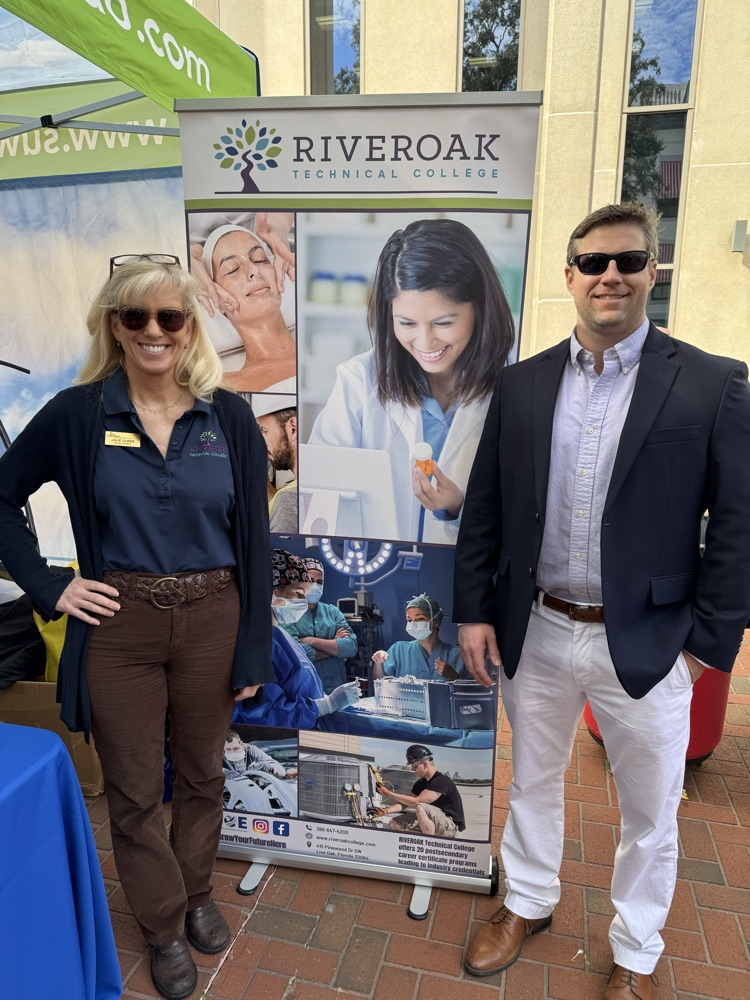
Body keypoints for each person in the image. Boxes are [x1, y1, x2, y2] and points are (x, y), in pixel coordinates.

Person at [454, 202, 750, 998]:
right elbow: (485, 504)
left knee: (653, 812)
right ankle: (527, 900)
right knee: (533, 779)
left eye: (628, 261)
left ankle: (636, 950)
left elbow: (738, 526)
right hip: (539, 628)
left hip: (652, 643)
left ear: (654, 270)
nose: (609, 275)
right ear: (569, 277)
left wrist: (706, 650)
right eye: (593, 263)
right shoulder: (520, 384)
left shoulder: (714, 383)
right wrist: (475, 610)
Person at [0, 253, 274, 1000]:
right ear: (114, 327)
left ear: (189, 330)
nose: (155, 331)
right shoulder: (78, 414)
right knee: (130, 786)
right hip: (120, 625)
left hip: (215, 617)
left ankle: (196, 895)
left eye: (171, 317)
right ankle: (160, 925)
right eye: (136, 317)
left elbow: (255, 542)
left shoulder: (231, 417)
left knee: (202, 774)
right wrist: (51, 585)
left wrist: (254, 644)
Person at [308, 218, 515, 544]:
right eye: (406, 322)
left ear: (480, 309)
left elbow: (523, 516)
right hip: (373, 577)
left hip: (467, 583)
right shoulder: (358, 382)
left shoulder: (514, 387)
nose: (425, 341)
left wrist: (461, 508)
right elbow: (320, 500)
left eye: (443, 322)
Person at [232, 549, 361, 729]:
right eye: (299, 594)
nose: (304, 600)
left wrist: (322, 701)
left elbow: (350, 646)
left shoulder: (280, 635)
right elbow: (260, 715)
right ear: (272, 591)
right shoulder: (256, 646)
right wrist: (324, 705)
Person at [193, 221, 296, 393]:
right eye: (232, 269)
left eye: (260, 259)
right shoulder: (221, 387)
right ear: (218, 299)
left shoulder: (328, 351)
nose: (254, 269)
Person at [281, 557, 358, 693]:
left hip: (336, 690)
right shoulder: (287, 612)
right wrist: (335, 646)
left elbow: (351, 647)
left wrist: (311, 641)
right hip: (304, 693)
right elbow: (296, 653)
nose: (315, 586)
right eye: (310, 581)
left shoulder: (332, 612)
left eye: (319, 582)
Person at [376, 744, 465, 838]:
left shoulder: (441, 781)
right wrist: (385, 811)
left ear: (425, 764)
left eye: (414, 765)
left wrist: (389, 794)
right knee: (394, 824)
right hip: (434, 822)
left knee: (420, 806)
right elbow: (405, 803)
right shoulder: (421, 783)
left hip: (450, 826)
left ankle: (427, 844)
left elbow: (417, 801)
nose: (413, 769)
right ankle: (422, 839)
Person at [372, 593, 464, 681]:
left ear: (436, 622)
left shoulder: (458, 655)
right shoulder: (399, 650)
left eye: (420, 618)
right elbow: (380, 683)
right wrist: (378, 663)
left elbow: (472, 691)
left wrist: (454, 677)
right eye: (409, 620)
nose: (413, 624)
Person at [253, 394, 298, 533]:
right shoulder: (293, 490)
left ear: (293, 428)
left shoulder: (289, 497)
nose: (262, 443)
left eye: (264, 431)